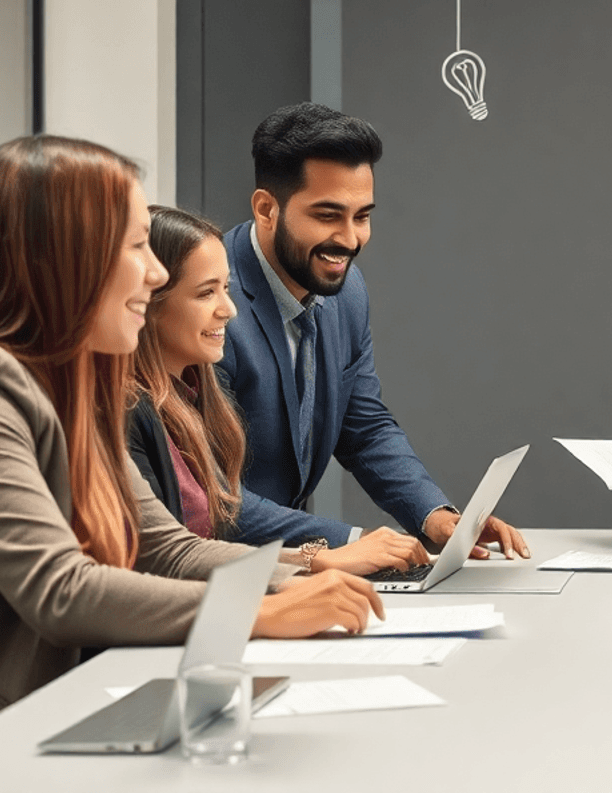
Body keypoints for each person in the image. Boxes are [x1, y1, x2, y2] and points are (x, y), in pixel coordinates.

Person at [0, 137, 383, 793]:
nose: (157, 276)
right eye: (135, 248)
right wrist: (260, 612)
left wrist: (297, 578)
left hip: (19, 729)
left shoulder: (77, 390)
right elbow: (60, 590)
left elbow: (168, 552)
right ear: (61, 260)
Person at [219, 103, 528, 558]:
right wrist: (351, 543)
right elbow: (205, 496)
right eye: (327, 216)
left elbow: (363, 426)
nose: (349, 239)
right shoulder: (208, 302)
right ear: (267, 209)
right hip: (209, 571)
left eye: (361, 216)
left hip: (286, 567)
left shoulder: (346, 291)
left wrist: (434, 516)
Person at [126, 204, 432, 576]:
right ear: (147, 302)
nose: (229, 310)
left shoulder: (191, 394)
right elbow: (171, 558)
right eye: (206, 293)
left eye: (226, 289)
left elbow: (197, 547)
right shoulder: (129, 412)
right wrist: (321, 559)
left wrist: (432, 514)